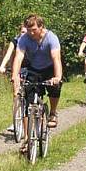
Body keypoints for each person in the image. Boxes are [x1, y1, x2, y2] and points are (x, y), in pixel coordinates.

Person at [11, 15, 63, 151]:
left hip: (50, 68)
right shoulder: (24, 39)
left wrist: (57, 77)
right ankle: (28, 139)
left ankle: (52, 112)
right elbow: (18, 57)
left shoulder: (51, 38)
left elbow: (56, 58)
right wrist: (15, 76)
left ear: (41, 27)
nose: (31, 33)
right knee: (29, 102)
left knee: (55, 87)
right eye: (28, 30)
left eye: (34, 29)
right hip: (34, 69)